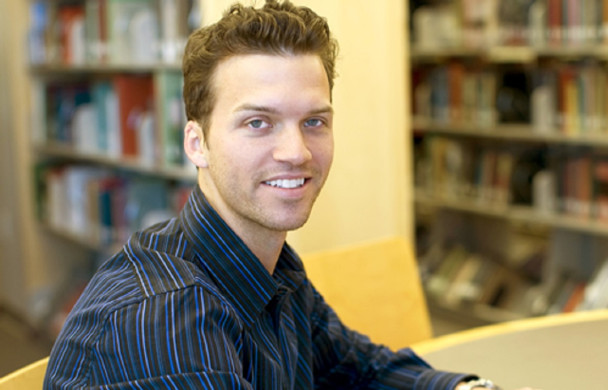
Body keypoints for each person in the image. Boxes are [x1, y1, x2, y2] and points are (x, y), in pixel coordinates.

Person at [43, 1, 503, 389]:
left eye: (314, 122)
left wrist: (469, 388)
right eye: (258, 123)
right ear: (196, 143)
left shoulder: (270, 264)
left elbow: (359, 370)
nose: (296, 152)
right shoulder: (166, 316)